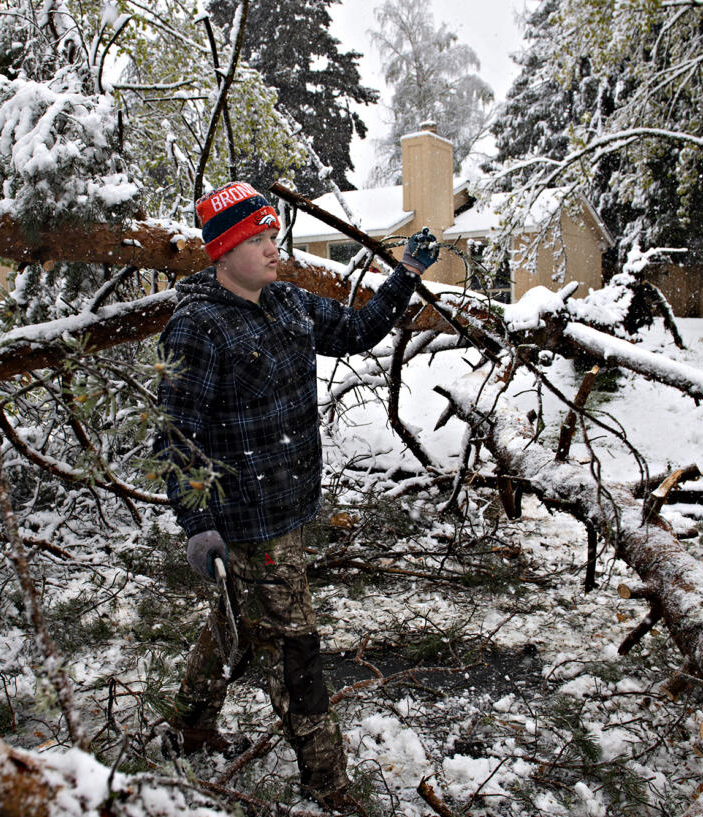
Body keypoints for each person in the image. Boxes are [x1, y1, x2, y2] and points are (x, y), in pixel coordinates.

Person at [153, 180, 439, 813]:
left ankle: (189, 724)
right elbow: (177, 436)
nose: (271, 249)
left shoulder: (287, 304)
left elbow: (359, 330)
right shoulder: (197, 326)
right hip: (245, 519)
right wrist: (198, 523)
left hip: (290, 504)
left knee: (237, 621)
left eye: (272, 236)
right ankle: (328, 787)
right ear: (222, 251)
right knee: (297, 650)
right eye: (256, 240)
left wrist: (407, 274)